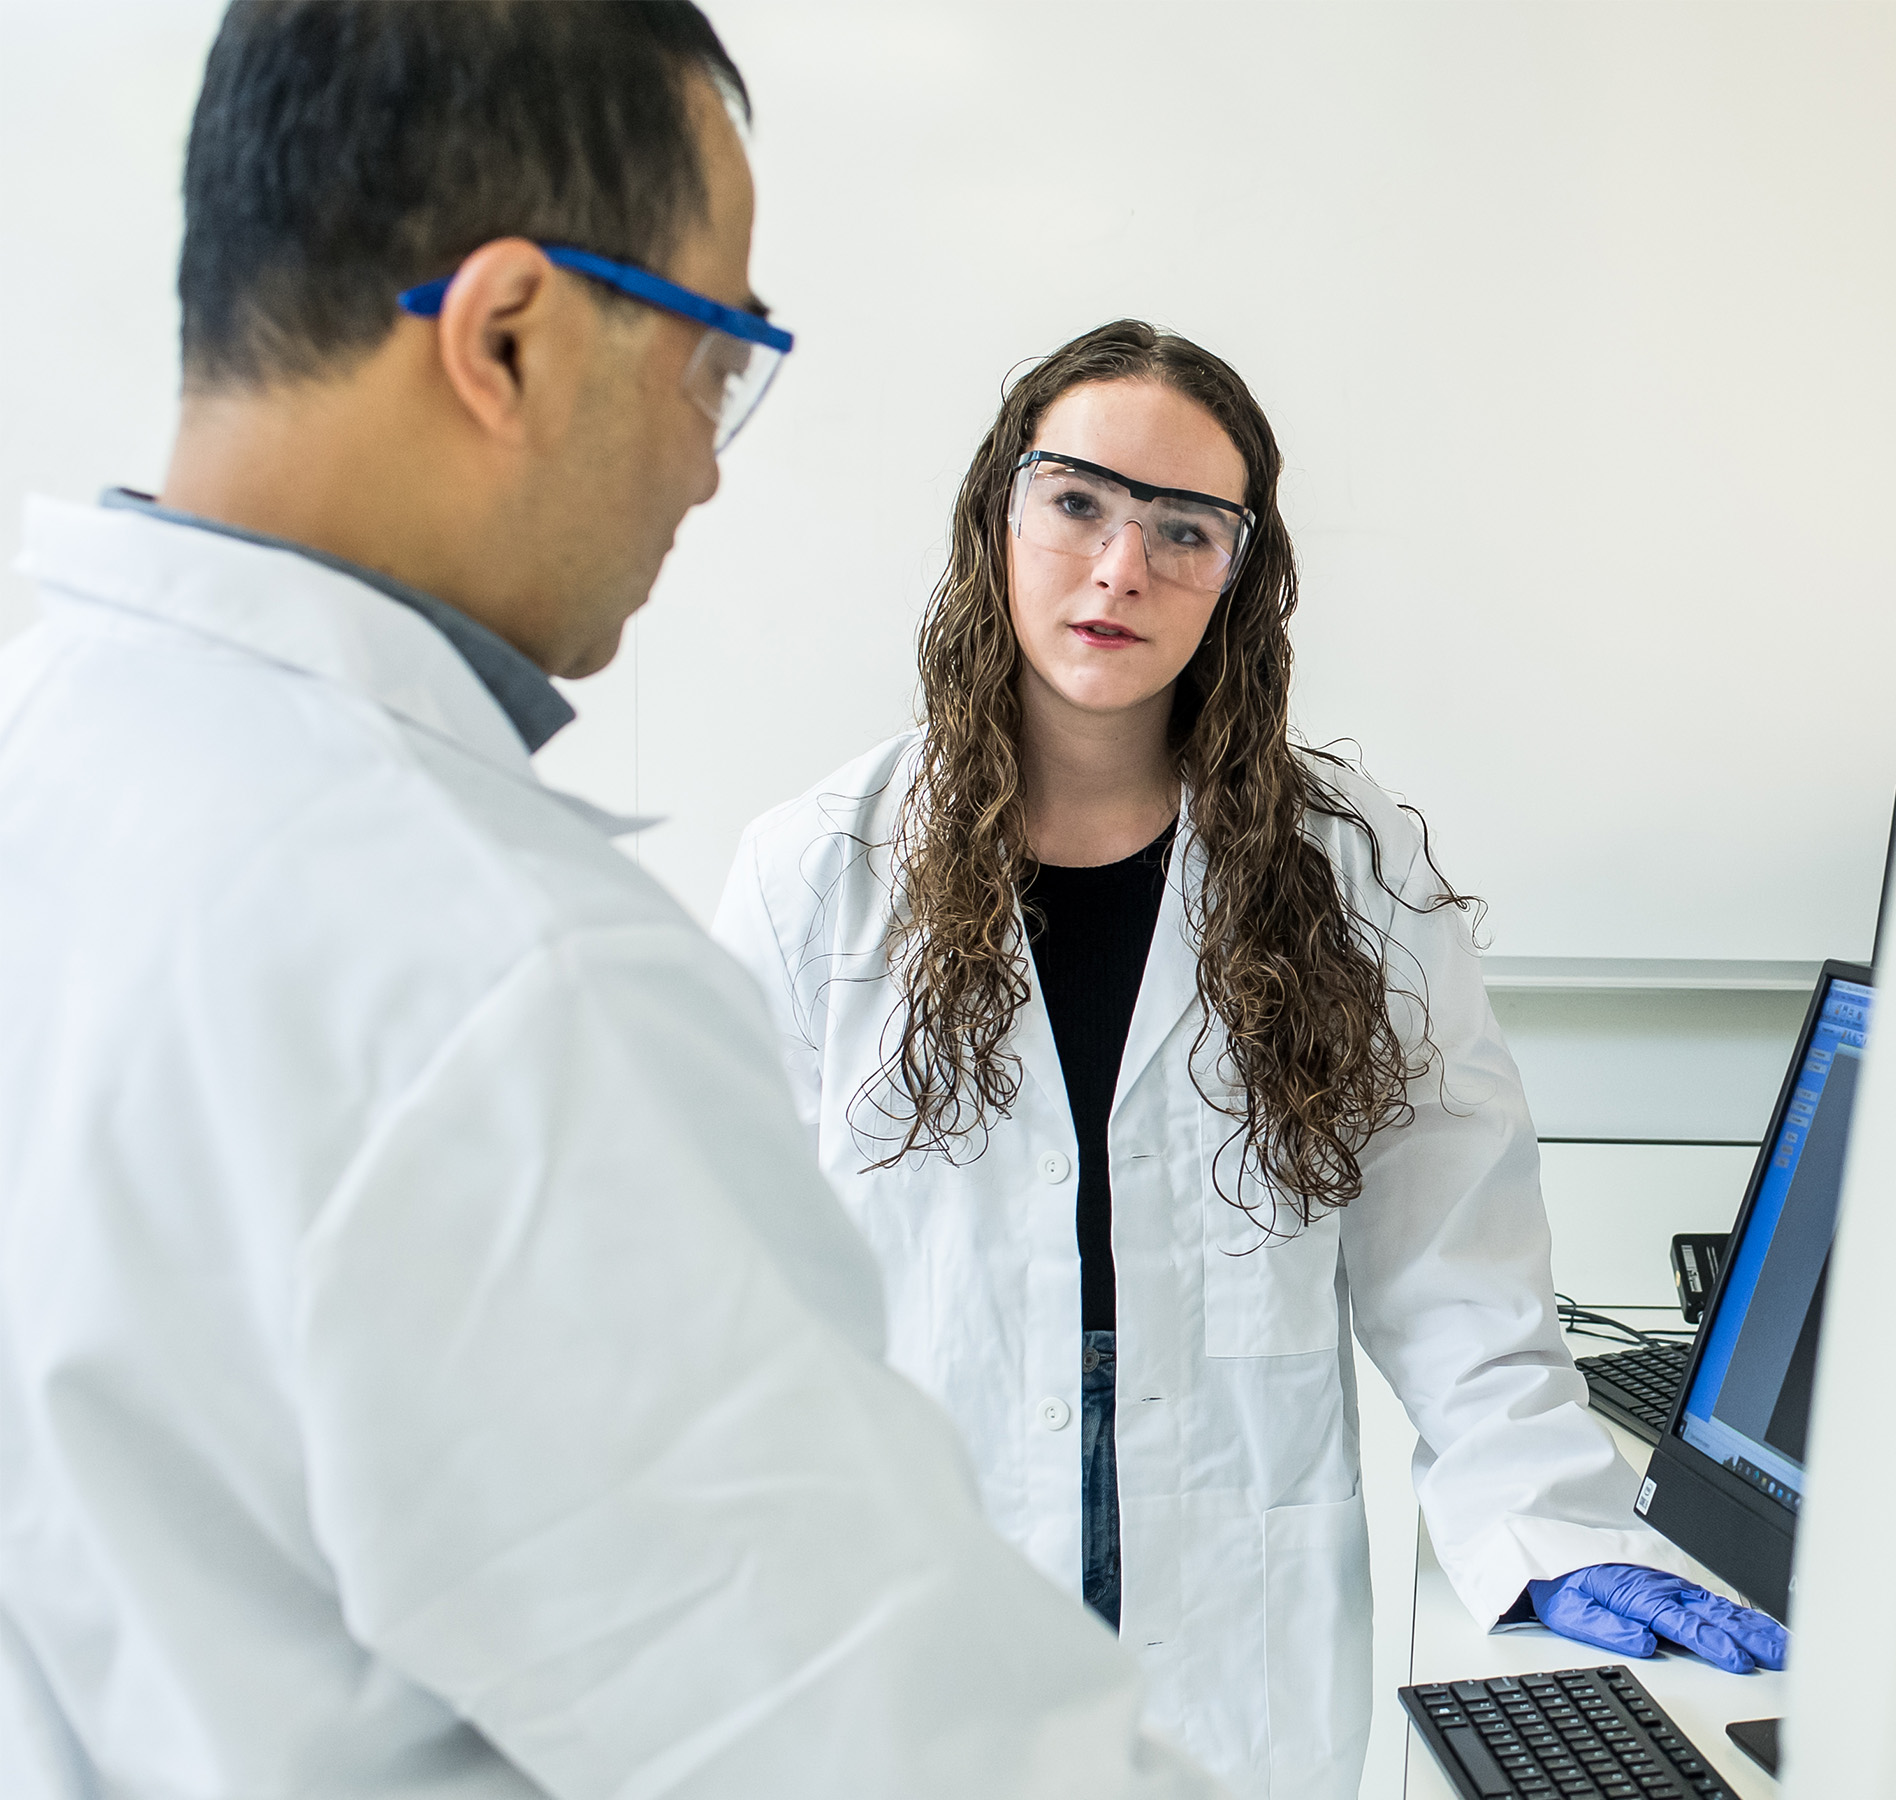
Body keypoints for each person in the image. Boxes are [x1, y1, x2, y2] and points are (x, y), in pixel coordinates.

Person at [0, 7, 1213, 1797]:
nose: (708, 465)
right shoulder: (497, 973)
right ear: (503, 336)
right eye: (714, 363)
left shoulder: (55, 734)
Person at [712, 321, 1790, 1799]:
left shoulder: (1347, 870)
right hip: (908, 1621)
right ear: (997, 511)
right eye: (1077, 500)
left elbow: (1453, 1261)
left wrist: (1547, 1527)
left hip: (1234, 1626)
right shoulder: (815, 877)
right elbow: (724, 1293)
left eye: (1183, 529)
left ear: (1241, 571)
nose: (1119, 568)